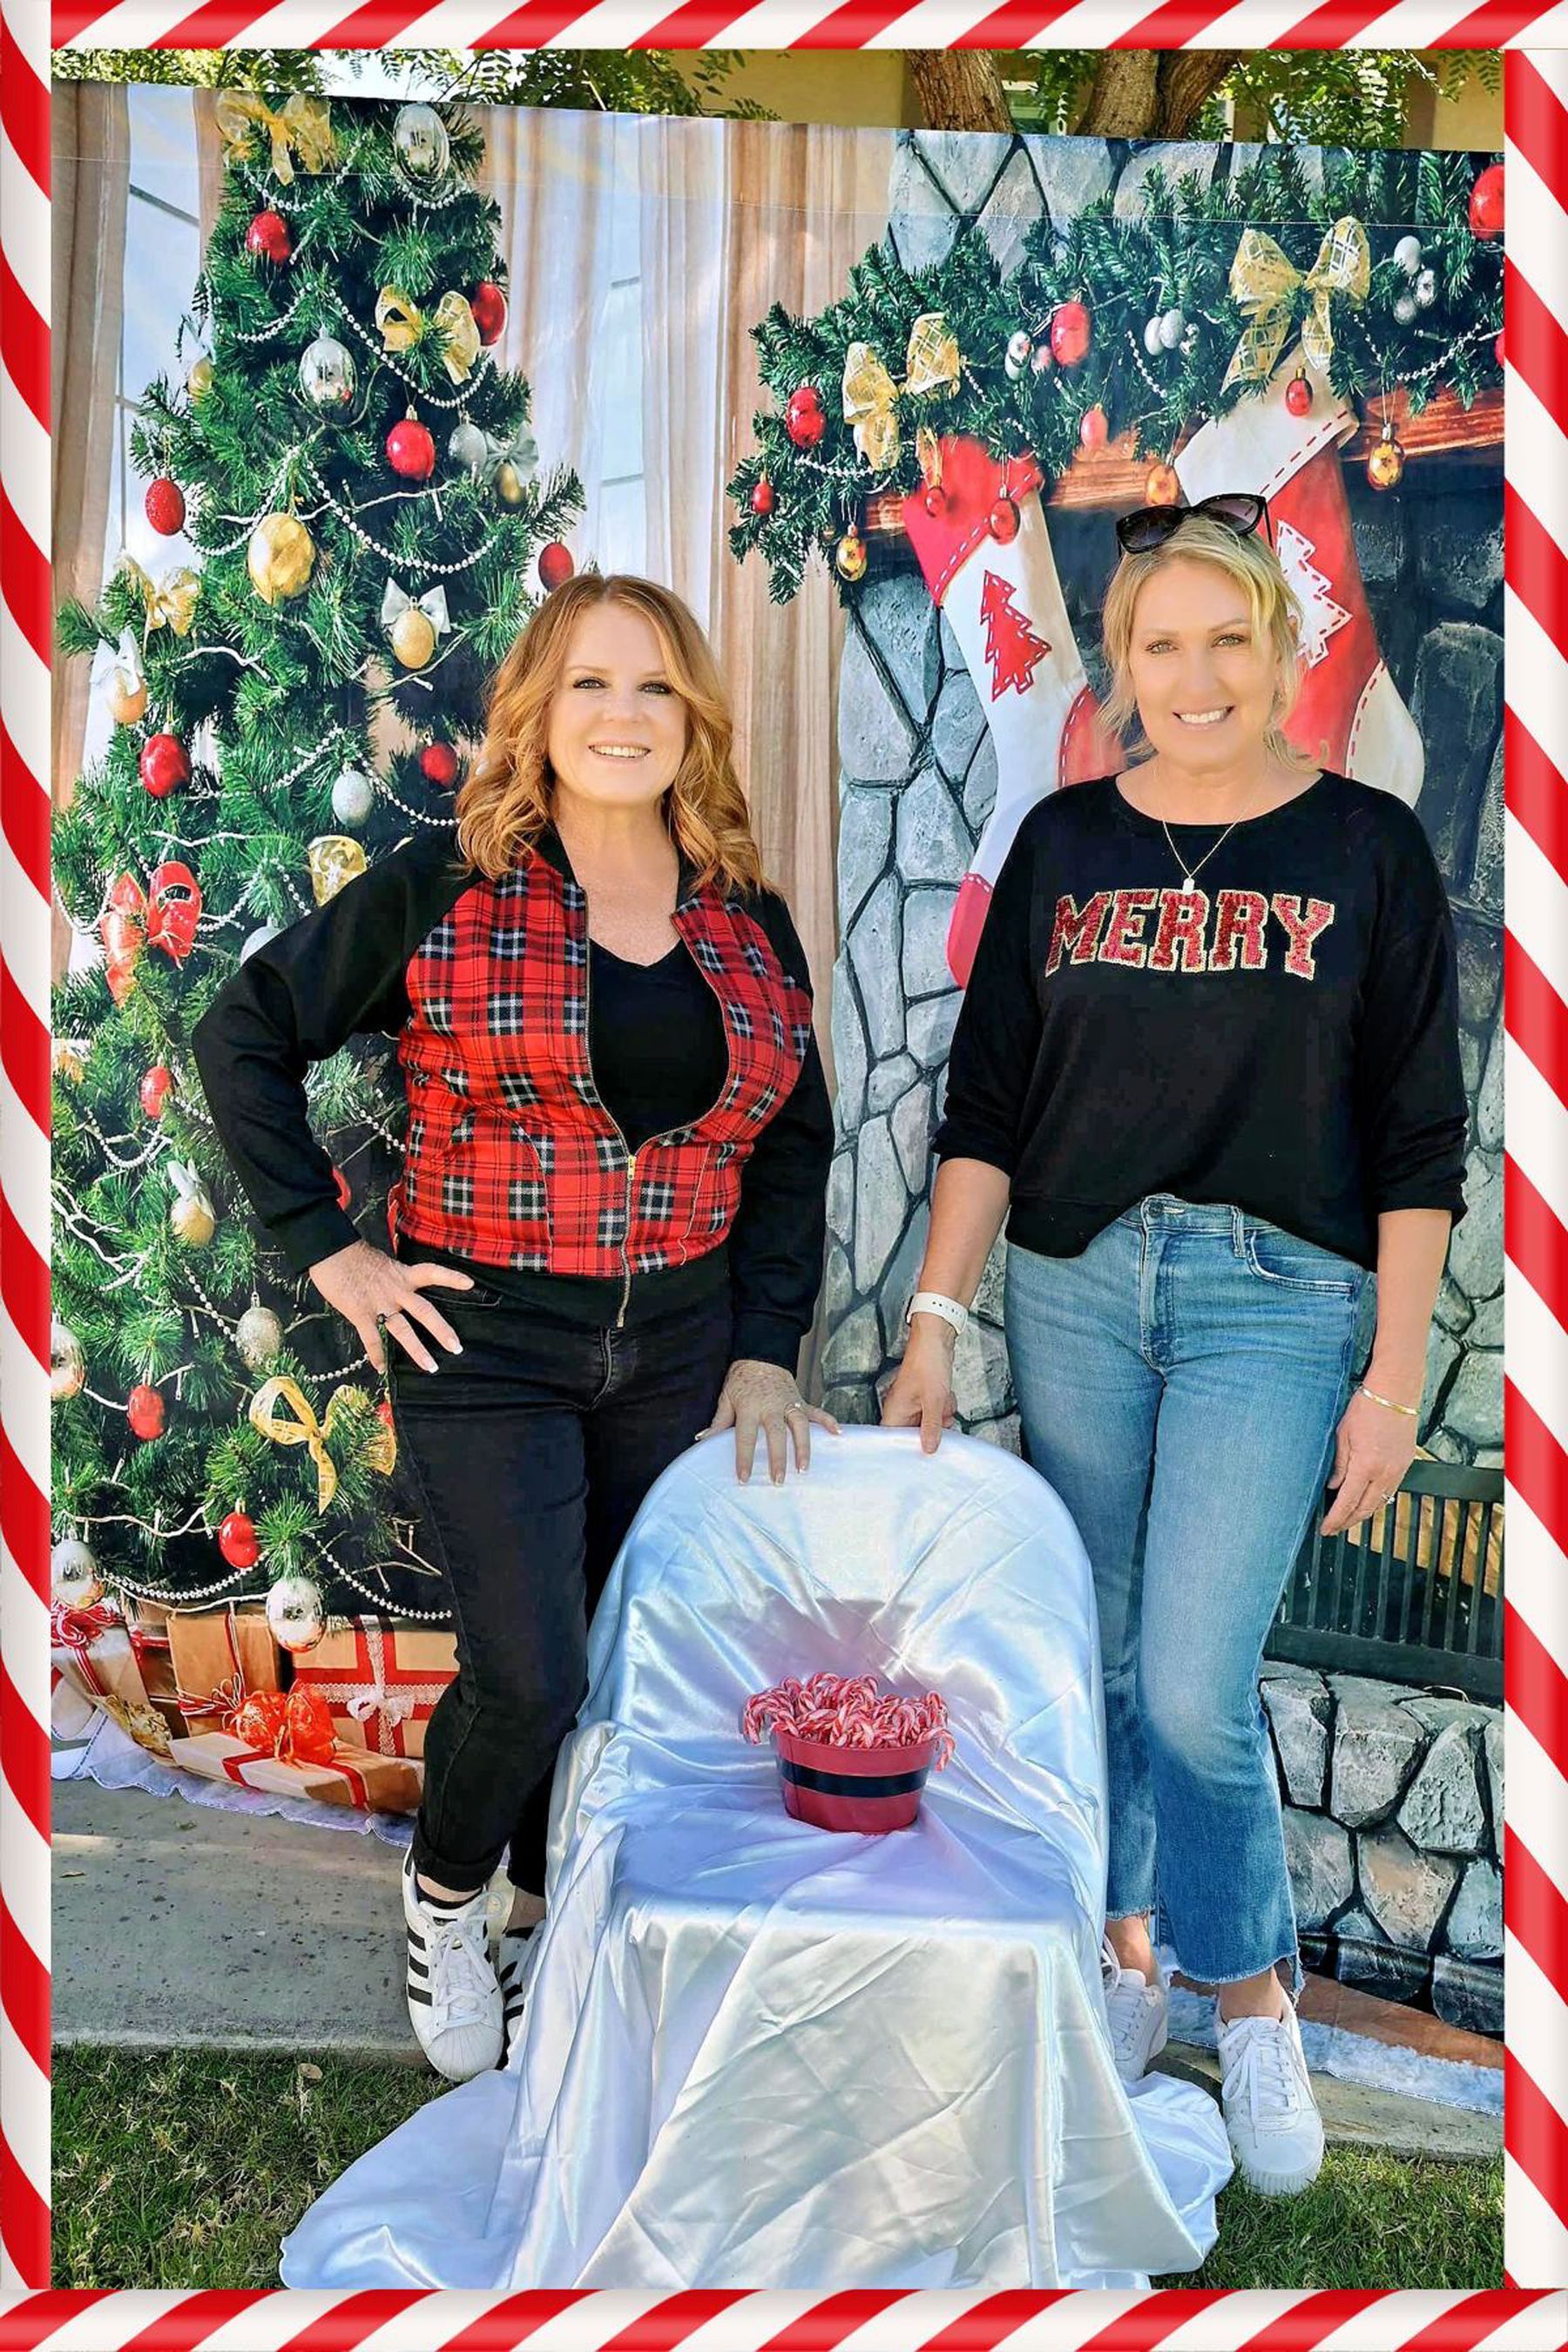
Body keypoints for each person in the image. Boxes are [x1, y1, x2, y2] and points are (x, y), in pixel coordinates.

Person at [882, 493, 1466, 2197]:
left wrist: (1394, 1377)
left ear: (1280, 650)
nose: (1196, 677)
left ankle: (1255, 1998)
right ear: (1121, 665)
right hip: (1076, 1286)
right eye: (1161, 645)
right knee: (1113, 1659)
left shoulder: (1367, 849)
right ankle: (1130, 1952)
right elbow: (987, 1107)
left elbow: (1417, 1142)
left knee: (1201, 1682)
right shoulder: (1065, 846)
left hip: (1276, 1303)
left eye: (1227, 640)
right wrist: (935, 1321)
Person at [195, 573, 835, 2084]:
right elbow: (245, 1033)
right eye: (591, 684)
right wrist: (332, 1256)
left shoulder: (747, 918)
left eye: (655, 687)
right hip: (485, 1346)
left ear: (694, 720)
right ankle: (444, 1896)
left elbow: (792, 1144)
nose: (624, 715)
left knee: (614, 1658)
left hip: (677, 1348)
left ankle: (550, 1910)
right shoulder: (450, 884)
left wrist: (766, 1345)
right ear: (539, 712)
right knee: (531, 1668)